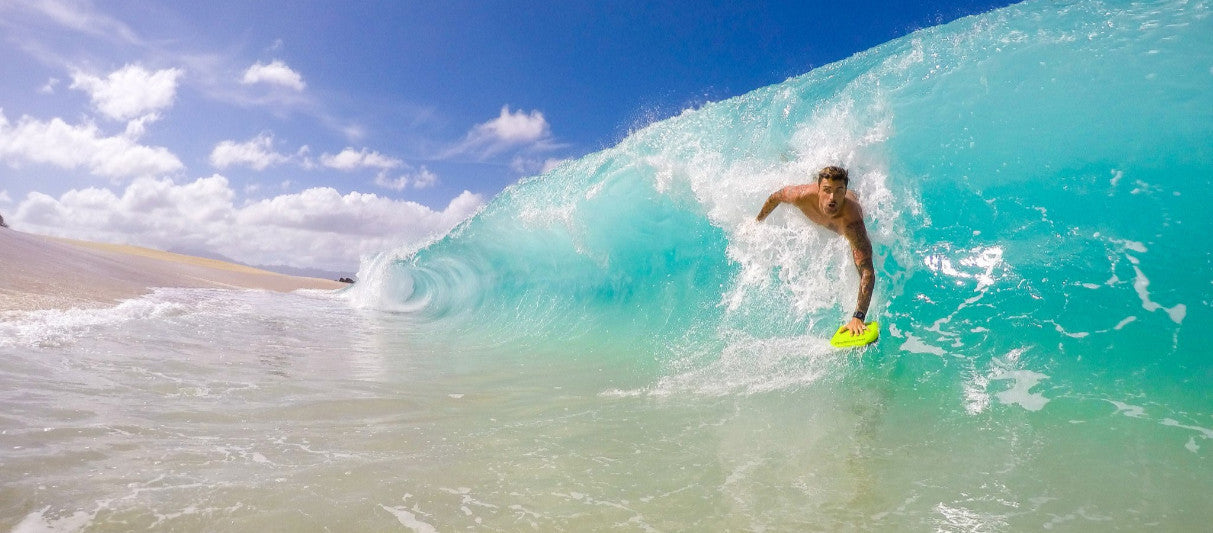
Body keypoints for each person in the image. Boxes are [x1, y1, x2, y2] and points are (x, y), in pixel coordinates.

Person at [755, 166, 874, 336]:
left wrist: (858, 316)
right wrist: (758, 222)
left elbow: (867, 271)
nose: (832, 197)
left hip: (847, 219)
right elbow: (776, 196)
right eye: (826, 190)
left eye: (839, 190)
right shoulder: (801, 195)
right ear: (818, 189)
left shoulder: (852, 223)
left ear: (845, 190)